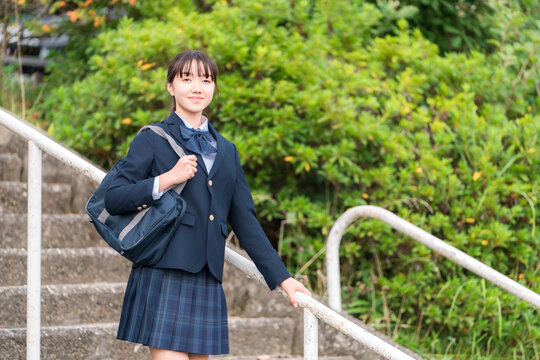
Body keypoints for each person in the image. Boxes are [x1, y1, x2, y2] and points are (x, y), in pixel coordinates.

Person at [104, 49, 312, 360]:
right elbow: (114, 197)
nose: (197, 87)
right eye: (186, 78)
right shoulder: (152, 138)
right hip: (162, 272)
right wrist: (167, 179)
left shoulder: (227, 150)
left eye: (206, 79)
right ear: (170, 86)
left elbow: (245, 220)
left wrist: (283, 278)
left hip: (207, 277)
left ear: (213, 87)